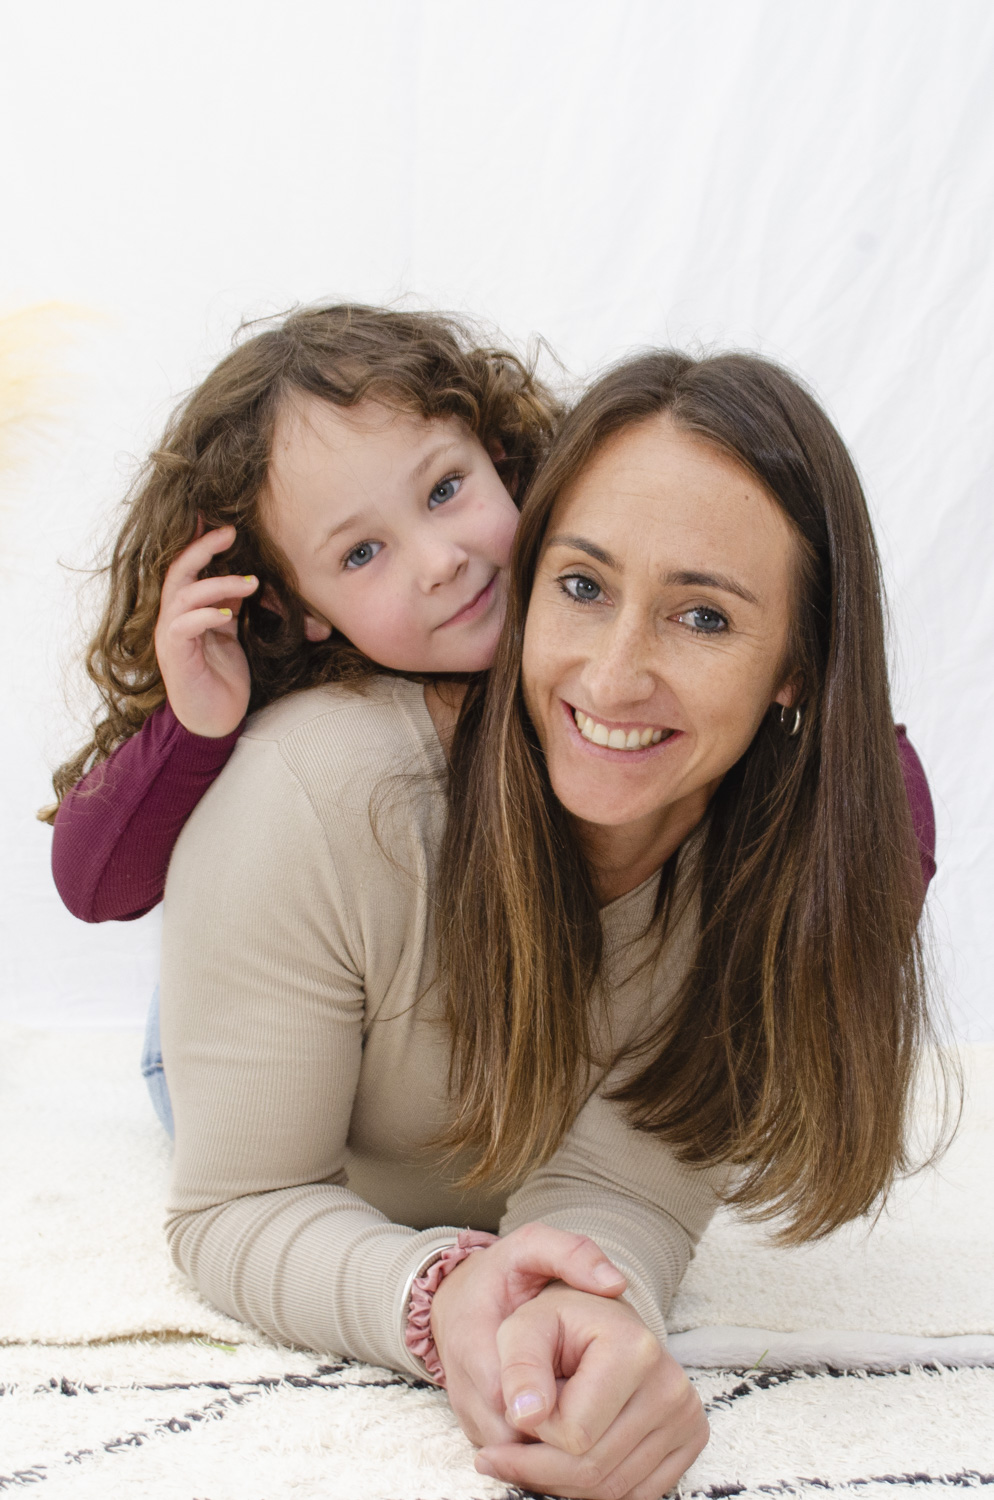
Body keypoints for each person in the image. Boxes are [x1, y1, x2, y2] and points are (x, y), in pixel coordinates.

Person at [154, 348, 947, 1500]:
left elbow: (625, 1188)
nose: (614, 679)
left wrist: (583, 1320)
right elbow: (241, 1201)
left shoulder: (783, 879)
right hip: (279, 957)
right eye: (581, 586)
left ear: (797, 665)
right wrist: (443, 1299)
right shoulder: (311, 793)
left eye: (703, 616)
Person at [46, 307, 935, 1141]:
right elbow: (94, 886)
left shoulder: (594, 577)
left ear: (502, 460)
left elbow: (872, 768)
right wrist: (197, 728)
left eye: (444, 489)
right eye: (361, 553)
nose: (440, 560)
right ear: (295, 606)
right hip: (249, 1043)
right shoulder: (312, 725)